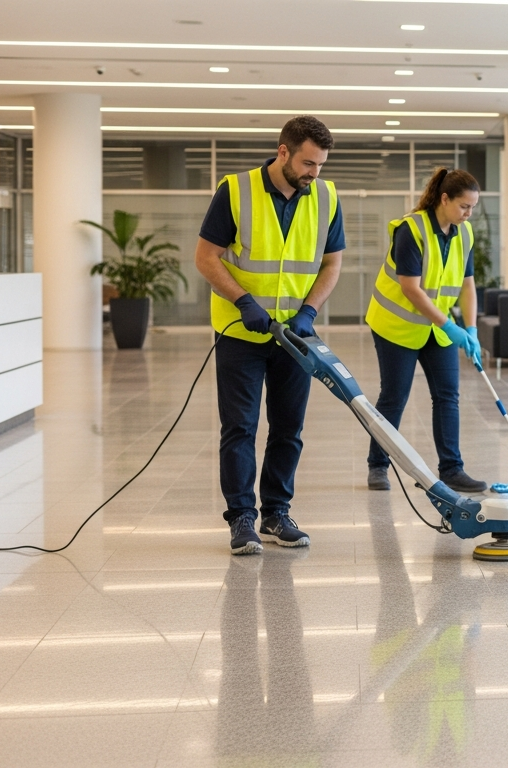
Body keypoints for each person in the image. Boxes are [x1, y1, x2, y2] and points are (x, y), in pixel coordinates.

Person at [195, 116, 345, 555]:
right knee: (240, 427)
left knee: (288, 428)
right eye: (307, 163)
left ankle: (277, 513)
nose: (314, 174)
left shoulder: (325, 196)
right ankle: (242, 517)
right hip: (240, 330)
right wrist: (243, 301)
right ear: (283, 152)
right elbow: (206, 257)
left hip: (294, 337)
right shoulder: (235, 190)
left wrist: (309, 310)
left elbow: (331, 264)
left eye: (320, 165)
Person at [363, 167, 487, 495]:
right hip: (396, 325)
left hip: (436, 328)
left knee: (447, 395)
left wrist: (471, 329)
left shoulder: (465, 234)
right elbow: (410, 289)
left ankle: (452, 469)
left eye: (473, 207)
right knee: (394, 396)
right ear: (444, 199)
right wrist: (451, 326)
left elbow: (468, 286)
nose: (468, 213)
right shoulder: (411, 230)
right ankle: (378, 465)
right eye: (464, 206)